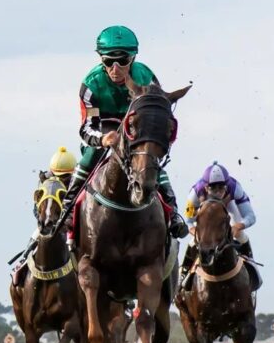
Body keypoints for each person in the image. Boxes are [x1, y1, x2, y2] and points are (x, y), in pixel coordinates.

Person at [63, 25, 188, 240]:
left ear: (133, 58)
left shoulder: (147, 78)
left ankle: (173, 211)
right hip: (104, 129)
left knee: (148, 157)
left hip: (136, 128)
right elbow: (86, 127)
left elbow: (156, 116)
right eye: (108, 61)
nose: (115, 68)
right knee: (91, 154)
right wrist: (103, 139)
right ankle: (68, 207)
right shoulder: (91, 85)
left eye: (122, 61)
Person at [178, 161, 257, 290]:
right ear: (205, 187)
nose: (218, 192)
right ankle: (184, 273)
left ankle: (252, 269)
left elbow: (250, 216)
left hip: (228, 207)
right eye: (213, 188)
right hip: (205, 212)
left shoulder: (235, 187)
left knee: (241, 235)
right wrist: (196, 233)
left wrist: (238, 226)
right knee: (194, 240)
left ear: (227, 185)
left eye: (221, 187)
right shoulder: (195, 193)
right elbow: (187, 221)